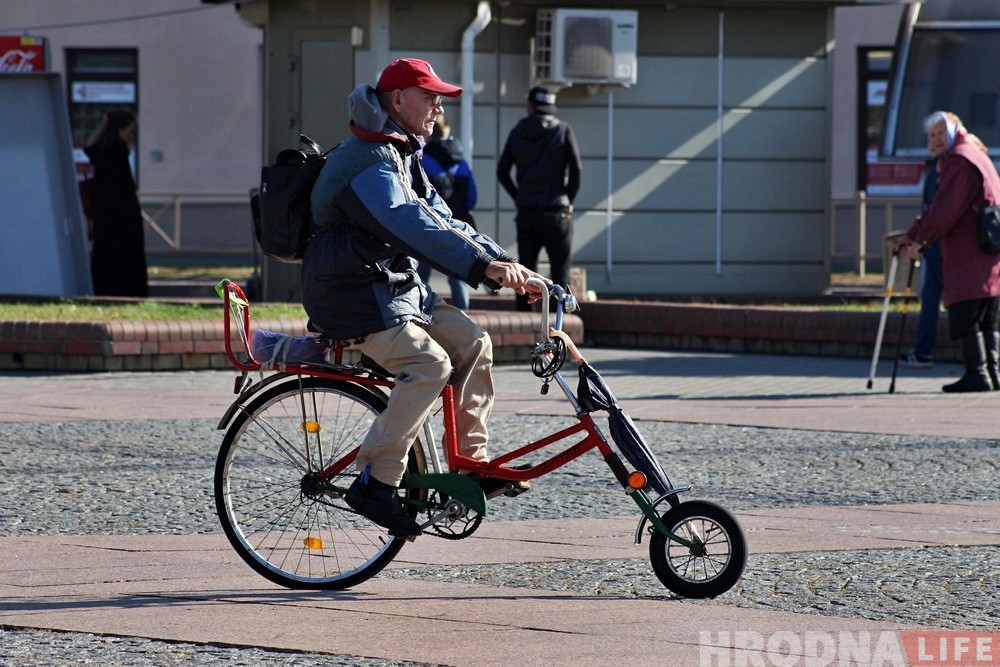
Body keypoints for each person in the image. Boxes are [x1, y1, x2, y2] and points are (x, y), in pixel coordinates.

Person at [303, 58, 549, 536]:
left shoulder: (399, 151)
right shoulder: (367, 160)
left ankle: (470, 465)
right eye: (431, 96)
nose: (439, 106)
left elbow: (444, 219)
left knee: (473, 342)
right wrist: (481, 267)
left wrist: (506, 264)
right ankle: (375, 481)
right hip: (352, 295)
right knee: (429, 366)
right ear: (398, 100)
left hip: (390, 289)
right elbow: (409, 225)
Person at [893, 111, 1000, 393]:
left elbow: (945, 209)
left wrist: (921, 240)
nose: (936, 140)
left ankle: (978, 374)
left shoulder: (959, 161)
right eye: (932, 135)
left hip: (969, 248)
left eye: (941, 134)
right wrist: (914, 233)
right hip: (988, 245)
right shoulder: (974, 153)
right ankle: (992, 373)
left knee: (966, 311)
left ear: (954, 132)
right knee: (987, 314)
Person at [497, 86, 582, 311]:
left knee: (525, 271)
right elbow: (576, 169)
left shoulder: (518, 131)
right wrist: (568, 198)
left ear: (530, 106)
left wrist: (519, 197)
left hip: (527, 212)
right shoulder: (563, 130)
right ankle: (559, 324)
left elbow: (502, 171)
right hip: (557, 212)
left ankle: (525, 321)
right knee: (560, 270)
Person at [84, 108, 148, 297]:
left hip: (105, 222)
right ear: (119, 130)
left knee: (106, 263)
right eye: (129, 130)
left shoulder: (103, 153)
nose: (130, 136)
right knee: (124, 267)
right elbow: (123, 191)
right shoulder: (116, 153)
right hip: (121, 223)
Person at [418, 112, 478, 309]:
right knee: (458, 275)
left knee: (421, 273)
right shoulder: (461, 161)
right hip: (458, 222)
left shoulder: (423, 158)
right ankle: (463, 315)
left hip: (430, 223)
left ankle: (421, 311)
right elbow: (472, 196)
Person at [898, 151, 942, 368]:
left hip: (938, 246)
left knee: (932, 297)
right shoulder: (942, 169)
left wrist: (920, 240)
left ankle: (924, 351)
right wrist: (913, 235)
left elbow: (934, 213)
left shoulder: (940, 171)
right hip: (941, 244)